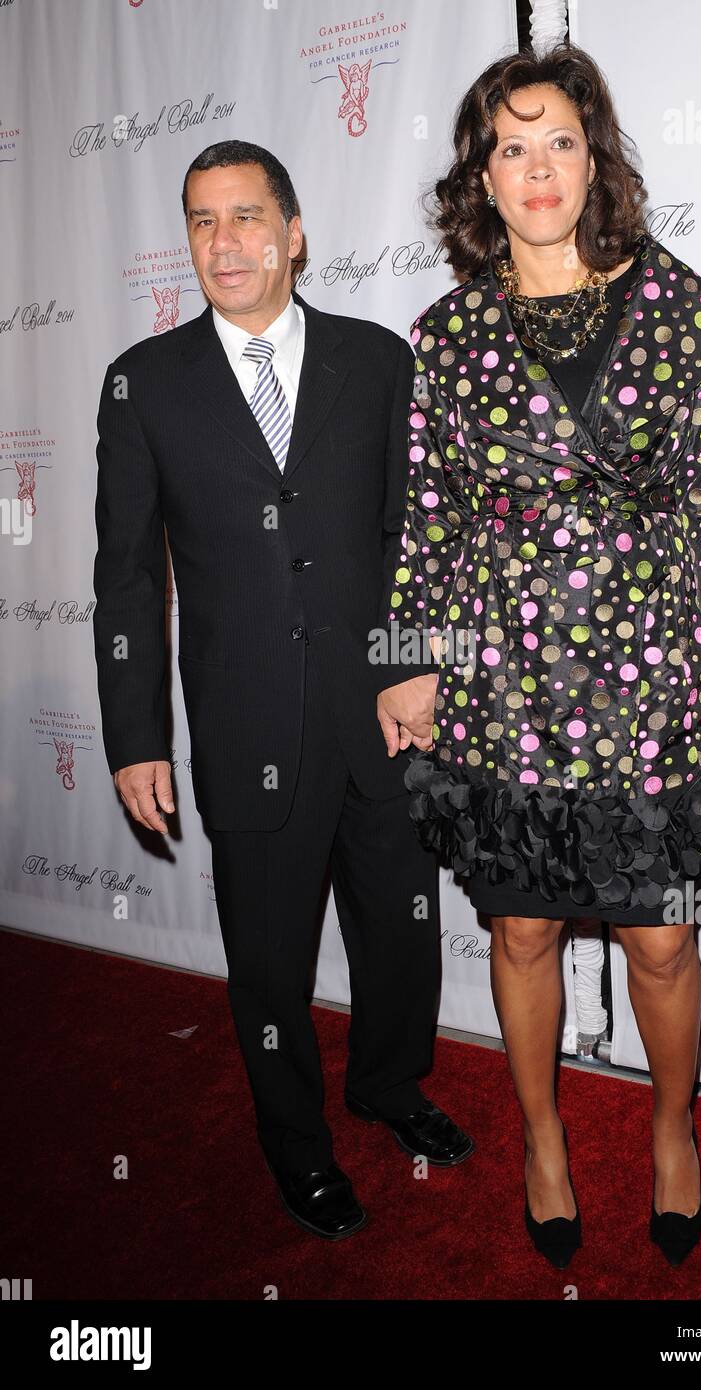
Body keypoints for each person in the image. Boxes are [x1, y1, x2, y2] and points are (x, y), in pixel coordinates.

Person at [376, 45, 701, 1269]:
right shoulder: (444, 336)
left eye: (557, 142)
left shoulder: (683, 307)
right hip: (505, 673)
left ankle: (669, 1127)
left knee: (659, 935)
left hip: (649, 661)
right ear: (479, 179)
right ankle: (543, 1137)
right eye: (509, 146)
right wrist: (407, 658)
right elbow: (428, 514)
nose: (535, 169)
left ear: (593, 159)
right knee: (521, 932)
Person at [93, 139, 471, 1244]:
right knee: (267, 960)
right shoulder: (142, 380)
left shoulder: (375, 361)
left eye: (248, 217)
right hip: (244, 719)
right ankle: (296, 1147)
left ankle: (390, 1087)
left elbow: (418, 537)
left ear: (294, 234)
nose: (227, 242)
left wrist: (416, 665)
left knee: (399, 933)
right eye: (204, 222)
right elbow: (124, 577)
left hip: (385, 716)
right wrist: (132, 734)